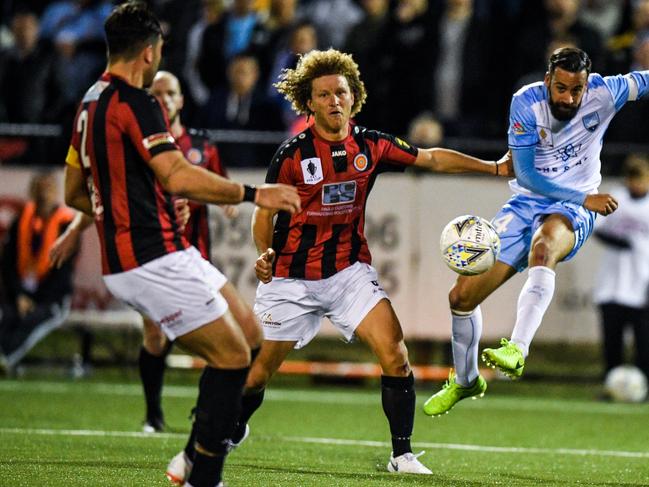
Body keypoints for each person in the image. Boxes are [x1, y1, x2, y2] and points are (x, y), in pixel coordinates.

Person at [164, 48, 512, 477]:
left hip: (349, 272)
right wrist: (265, 253)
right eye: (324, 94)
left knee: (395, 354)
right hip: (291, 277)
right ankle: (231, 429)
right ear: (309, 103)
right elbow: (265, 213)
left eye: (340, 92)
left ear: (353, 96)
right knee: (255, 374)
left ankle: (401, 454)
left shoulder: (372, 145)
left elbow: (431, 157)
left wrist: (494, 168)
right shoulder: (292, 154)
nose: (334, 101)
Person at [62, 4, 300, 487]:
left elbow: (72, 190)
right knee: (233, 357)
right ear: (149, 52)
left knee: (253, 336)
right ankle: (202, 474)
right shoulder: (137, 101)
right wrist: (258, 193)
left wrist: (122, 200)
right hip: (148, 256)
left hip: (167, 249)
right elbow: (176, 174)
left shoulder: (90, 100)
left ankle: (193, 457)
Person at [422, 46, 649, 417]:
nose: (569, 98)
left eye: (576, 90)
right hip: (529, 202)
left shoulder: (606, 92)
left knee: (544, 247)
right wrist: (585, 197)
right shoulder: (526, 103)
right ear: (548, 80)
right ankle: (465, 381)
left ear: (587, 84)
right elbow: (526, 174)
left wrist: (580, 200)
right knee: (461, 298)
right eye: (561, 88)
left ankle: (518, 349)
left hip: (571, 209)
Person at [0, 171, 75, 375]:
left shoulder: (66, 225)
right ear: (32, 191)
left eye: (48, 188)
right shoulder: (21, 220)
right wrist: (19, 296)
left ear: (56, 191)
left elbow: (63, 271)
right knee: (6, 316)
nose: (44, 194)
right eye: (39, 189)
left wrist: (35, 300)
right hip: (20, 294)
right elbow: (8, 264)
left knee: (32, 319)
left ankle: (7, 358)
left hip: (50, 299)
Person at [593, 154, 649, 383]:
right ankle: (611, 383)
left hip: (643, 282)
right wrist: (622, 242)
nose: (637, 183)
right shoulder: (616, 198)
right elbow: (598, 228)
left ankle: (643, 385)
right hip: (613, 283)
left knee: (644, 341)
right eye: (633, 178)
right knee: (612, 340)